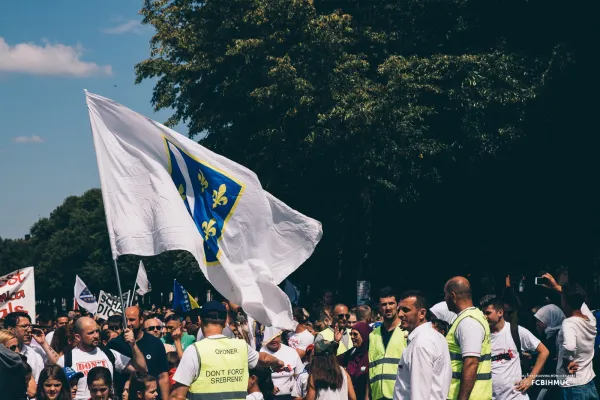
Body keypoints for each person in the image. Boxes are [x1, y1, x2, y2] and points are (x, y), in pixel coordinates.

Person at [169, 301, 286, 400]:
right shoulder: (241, 346)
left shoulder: (194, 350)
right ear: (225, 322)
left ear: (200, 320)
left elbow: (178, 396)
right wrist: (278, 362)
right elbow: (264, 359)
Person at [57, 316, 145, 400]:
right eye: (90, 333)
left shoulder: (109, 354)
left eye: (97, 331)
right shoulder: (66, 359)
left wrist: (133, 345)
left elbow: (142, 370)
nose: (96, 336)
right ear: (78, 337)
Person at [481, 295, 549, 399]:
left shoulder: (515, 331)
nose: (484, 316)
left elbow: (544, 351)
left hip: (516, 396)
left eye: (488, 313)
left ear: (500, 312)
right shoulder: (482, 335)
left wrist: (531, 378)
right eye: (483, 313)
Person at [394, 290, 451, 400]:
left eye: (406, 310)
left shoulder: (420, 343)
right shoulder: (436, 337)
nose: (400, 315)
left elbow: (420, 393)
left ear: (422, 314)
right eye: (399, 310)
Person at [444, 276, 492, 400]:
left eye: (446, 295)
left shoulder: (468, 322)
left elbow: (471, 363)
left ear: (453, 295)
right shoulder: (471, 317)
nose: (445, 299)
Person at [107, 306, 170, 400]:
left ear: (141, 320)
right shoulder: (114, 344)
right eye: (125, 320)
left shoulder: (155, 343)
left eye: (132, 320)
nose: (128, 324)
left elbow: (163, 377)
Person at [557, 285, 598, 398]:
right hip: (588, 381)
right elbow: (581, 303)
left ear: (565, 301)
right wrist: (558, 288)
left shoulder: (569, 323)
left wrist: (567, 360)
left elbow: (570, 346)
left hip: (573, 385)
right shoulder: (590, 320)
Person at [368, 287, 407, 400]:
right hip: (377, 395)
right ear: (379, 308)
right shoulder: (373, 335)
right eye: (384, 304)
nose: (388, 308)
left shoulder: (406, 332)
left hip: (400, 394)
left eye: (391, 303)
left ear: (397, 305)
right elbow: (371, 367)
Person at [261, 327, 304, 400]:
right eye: (271, 337)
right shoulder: (261, 354)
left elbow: (300, 375)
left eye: (277, 336)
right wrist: (268, 387)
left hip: (290, 396)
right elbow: (258, 378)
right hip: (269, 397)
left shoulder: (291, 352)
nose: (274, 339)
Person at [6, 311, 45, 383]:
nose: (29, 330)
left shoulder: (34, 355)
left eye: (30, 326)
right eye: (24, 326)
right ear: (10, 329)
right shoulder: (2, 354)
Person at [338, 322, 371, 400]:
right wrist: (336, 342)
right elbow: (334, 361)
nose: (352, 337)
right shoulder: (352, 352)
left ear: (364, 335)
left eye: (355, 334)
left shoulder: (371, 354)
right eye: (351, 334)